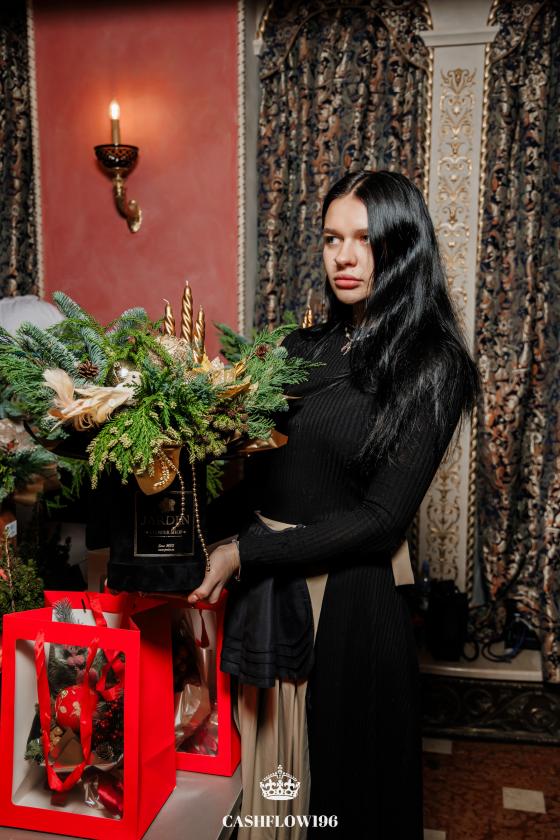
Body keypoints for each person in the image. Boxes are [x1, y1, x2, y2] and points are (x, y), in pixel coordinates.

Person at [188, 170, 480, 838]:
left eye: (364, 239)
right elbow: (262, 480)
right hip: (268, 594)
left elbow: (381, 522)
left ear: (403, 246)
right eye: (330, 238)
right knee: (267, 789)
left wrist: (246, 552)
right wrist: (189, 527)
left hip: (350, 609)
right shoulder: (301, 348)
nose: (343, 257)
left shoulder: (431, 365)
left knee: (343, 801)